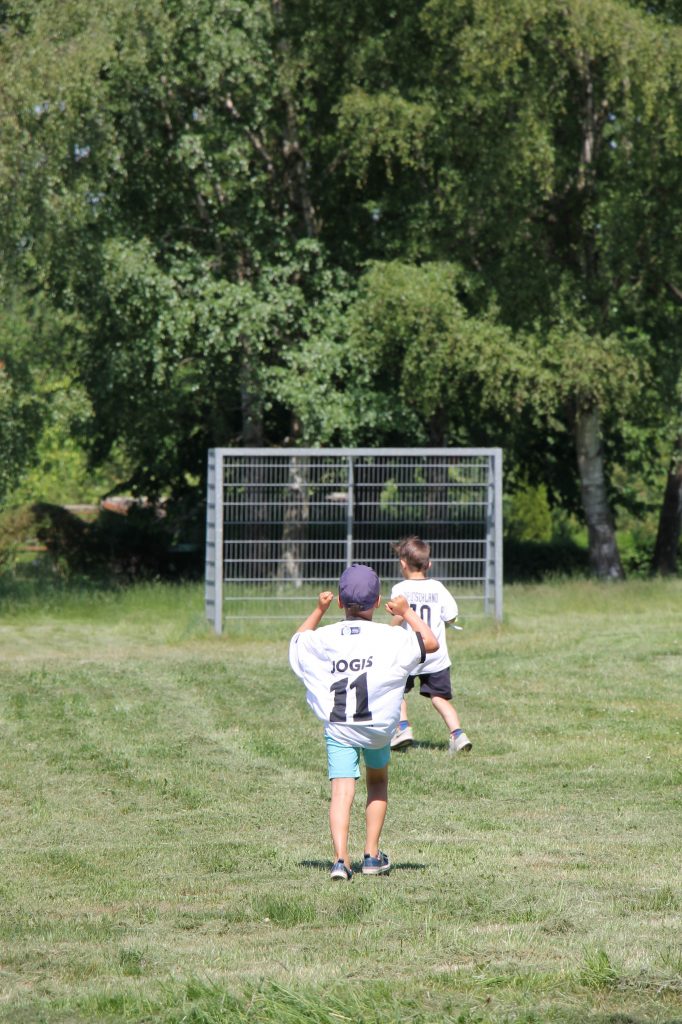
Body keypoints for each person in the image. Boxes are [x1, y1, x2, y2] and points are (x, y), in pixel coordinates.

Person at [289, 563, 439, 881]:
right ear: (377, 601)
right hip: (378, 727)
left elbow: (298, 642)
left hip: (340, 725)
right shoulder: (391, 636)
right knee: (377, 782)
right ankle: (371, 855)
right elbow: (430, 642)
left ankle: (340, 860)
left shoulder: (324, 638)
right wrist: (408, 612)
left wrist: (318, 610)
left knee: (342, 791)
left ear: (340, 602)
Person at [388, 535, 472, 755]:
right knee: (439, 698)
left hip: (409, 653)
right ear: (429, 564)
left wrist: (390, 629)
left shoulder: (399, 589)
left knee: (397, 692)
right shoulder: (438, 588)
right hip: (436, 654)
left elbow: (398, 619)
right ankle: (458, 735)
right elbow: (452, 616)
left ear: (402, 564)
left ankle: (403, 728)